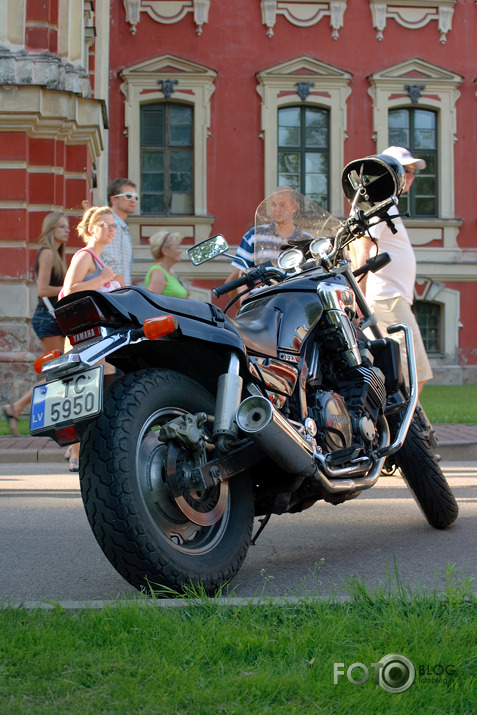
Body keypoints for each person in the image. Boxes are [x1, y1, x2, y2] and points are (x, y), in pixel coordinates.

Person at [353, 146, 432, 396]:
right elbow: (362, 250)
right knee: (410, 375)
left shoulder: (387, 204)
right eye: (406, 170)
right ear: (390, 171)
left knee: (406, 374)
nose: (411, 176)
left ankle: (404, 429)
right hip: (386, 299)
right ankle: (409, 432)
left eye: (412, 172)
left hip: (391, 298)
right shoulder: (379, 202)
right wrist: (359, 299)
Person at [60, 206, 123, 470]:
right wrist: (103, 280)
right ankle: (76, 454)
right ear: (90, 229)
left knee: (102, 395)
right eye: (105, 224)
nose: (111, 229)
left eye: (113, 225)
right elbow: (68, 291)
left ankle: (93, 451)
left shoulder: (99, 262)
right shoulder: (84, 256)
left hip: (103, 340)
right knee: (85, 394)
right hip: (85, 339)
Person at [3, 212, 69, 436]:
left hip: (52, 319)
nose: (67, 230)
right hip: (46, 319)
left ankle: (20, 409)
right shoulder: (49, 253)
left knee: (57, 373)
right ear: (51, 230)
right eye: (61, 227)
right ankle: (18, 407)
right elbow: (42, 290)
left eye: (67, 226)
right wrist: (69, 289)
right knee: (54, 373)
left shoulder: (58, 255)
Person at [225, 186, 311, 300]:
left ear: (294, 207)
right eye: (274, 204)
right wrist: (244, 305)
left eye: (282, 205)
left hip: (292, 301)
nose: (277, 209)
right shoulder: (254, 236)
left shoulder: (306, 241)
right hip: (260, 302)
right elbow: (243, 276)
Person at [102, 177, 137, 286]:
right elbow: (111, 264)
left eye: (136, 197)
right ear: (114, 200)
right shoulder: (112, 224)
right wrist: (124, 293)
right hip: (114, 294)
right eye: (128, 196)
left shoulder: (121, 227)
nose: (133, 200)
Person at [144, 230, 190, 298]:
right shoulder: (158, 272)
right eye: (177, 247)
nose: (180, 251)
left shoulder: (170, 273)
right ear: (165, 250)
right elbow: (151, 302)